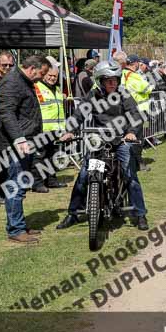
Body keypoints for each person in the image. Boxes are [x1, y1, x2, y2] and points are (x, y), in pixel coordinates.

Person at [57, 62, 148, 231]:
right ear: (100, 81)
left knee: (130, 175)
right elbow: (79, 114)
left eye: (115, 80)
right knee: (84, 175)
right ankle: (73, 213)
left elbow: (135, 116)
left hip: (121, 140)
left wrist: (132, 132)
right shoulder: (93, 95)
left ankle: (140, 214)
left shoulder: (123, 94)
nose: (112, 83)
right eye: (108, 80)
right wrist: (70, 131)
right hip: (99, 142)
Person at [0, 56, 51, 244]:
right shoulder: (12, 82)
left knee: (20, 186)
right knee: (15, 187)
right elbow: (6, 113)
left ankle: (18, 224)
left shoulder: (23, 81)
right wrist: (19, 138)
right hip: (14, 146)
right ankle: (15, 229)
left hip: (25, 143)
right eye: (42, 73)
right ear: (32, 68)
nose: (42, 77)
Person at [32, 64, 68, 192]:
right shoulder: (36, 88)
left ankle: (51, 180)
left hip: (55, 129)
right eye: (50, 75)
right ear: (44, 75)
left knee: (52, 156)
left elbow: (60, 111)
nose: (52, 78)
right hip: (41, 129)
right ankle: (37, 183)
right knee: (39, 157)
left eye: (55, 76)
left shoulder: (57, 89)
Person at [116, 53, 153, 170]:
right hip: (138, 111)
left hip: (126, 110)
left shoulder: (122, 74)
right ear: (136, 63)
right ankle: (138, 164)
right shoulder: (134, 76)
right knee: (137, 139)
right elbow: (147, 88)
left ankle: (131, 162)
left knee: (128, 137)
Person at [0, 52, 15, 122]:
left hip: (9, 123)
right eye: (4, 65)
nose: (8, 67)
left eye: (11, 65)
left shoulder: (15, 80)